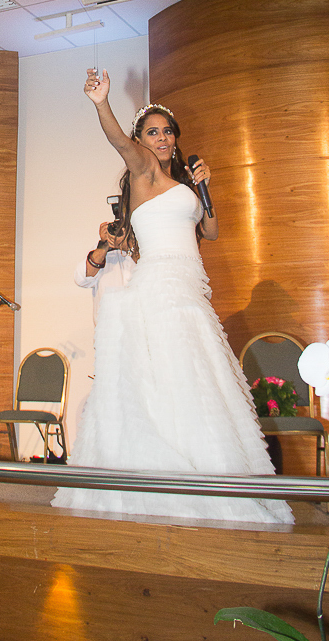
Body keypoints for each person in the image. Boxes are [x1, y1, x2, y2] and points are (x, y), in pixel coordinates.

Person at [52, 68, 293, 524]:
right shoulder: (143, 171)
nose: (161, 138)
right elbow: (118, 141)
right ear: (141, 140)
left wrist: (205, 188)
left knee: (198, 384)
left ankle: (205, 472)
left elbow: (211, 232)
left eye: (167, 131)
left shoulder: (185, 185)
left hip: (191, 290)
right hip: (159, 289)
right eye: (152, 132)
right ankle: (166, 482)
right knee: (169, 380)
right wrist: (102, 103)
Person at [74, 221, 136, 325]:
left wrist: (127, 247)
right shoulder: (104, 251)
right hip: (108, 331)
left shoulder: (146, 250)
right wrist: (104, 244)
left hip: (141, 330)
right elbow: (81, 280)